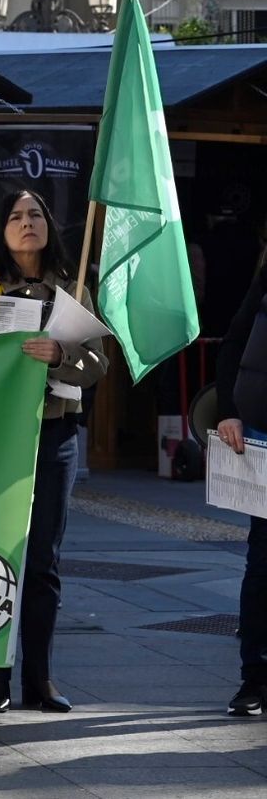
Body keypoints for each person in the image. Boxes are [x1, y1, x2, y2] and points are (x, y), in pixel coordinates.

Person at [0, 188, 106, 714]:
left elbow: (98, 364)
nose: (27, 223)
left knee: (44, 563)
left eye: (36, 214)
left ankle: (40, 680)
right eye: (15, 216)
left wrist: (61, 354)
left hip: (55, 434)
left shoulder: (73, 285)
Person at [211, 256, 267, 716]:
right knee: (263, 559)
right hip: (265, 432)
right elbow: (233, 343)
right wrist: (227, 408)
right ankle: (254, 677)